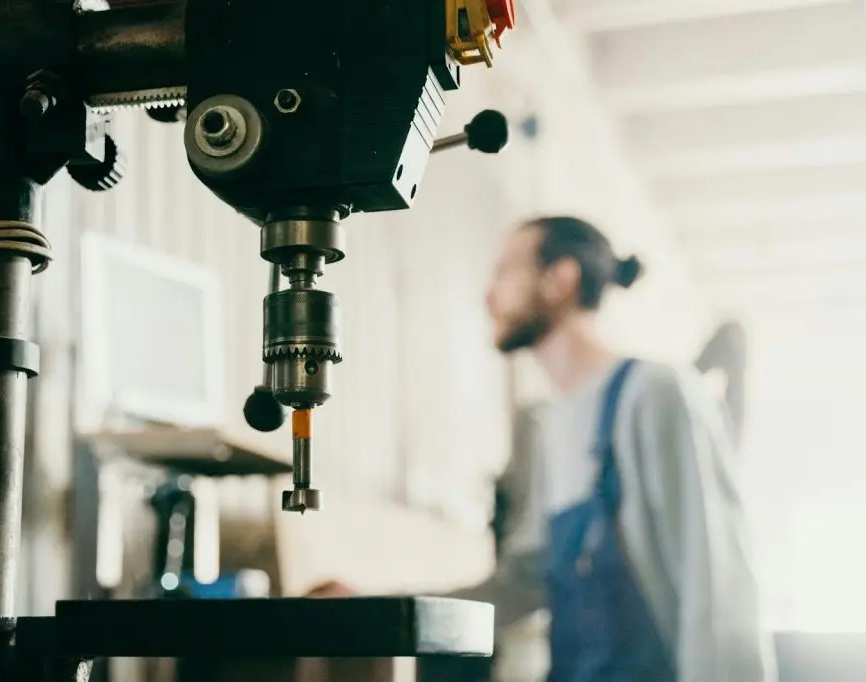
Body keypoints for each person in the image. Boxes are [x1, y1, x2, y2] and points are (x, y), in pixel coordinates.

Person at [307, 216, 777, 682]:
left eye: (505, 271)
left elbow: (719, 590)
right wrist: (370, 611)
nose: (488, 295)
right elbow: (519, 585)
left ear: (561, 279)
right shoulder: (551, 426)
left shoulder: (654, 393)